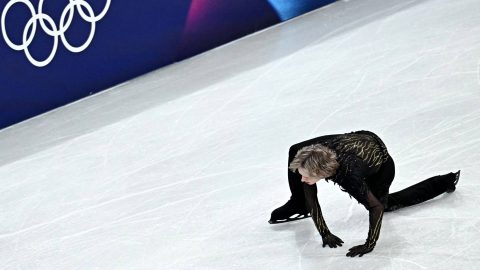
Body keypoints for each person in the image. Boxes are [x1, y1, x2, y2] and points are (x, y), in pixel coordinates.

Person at [268, 130, 461, 257]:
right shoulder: (311, 158)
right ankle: (298, 202)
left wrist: (370, 244)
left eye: (306, 177)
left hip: (381, 166)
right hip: (355, 144)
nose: (302, 179)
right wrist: (324, 233)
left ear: (322, 173)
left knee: (383, 205)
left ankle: (443, 182)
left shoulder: (348, 175)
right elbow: (309, 187)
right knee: (296, 151)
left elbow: (374, 208)